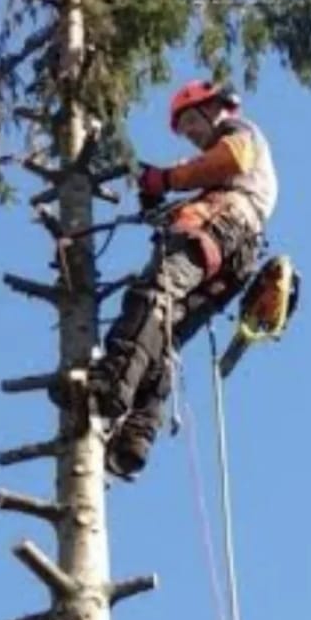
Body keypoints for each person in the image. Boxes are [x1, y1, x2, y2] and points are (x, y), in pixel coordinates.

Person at [92, 80, 278, 479]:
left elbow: (229, 160)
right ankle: (135, 438)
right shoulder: (228, 175)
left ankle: (111, 384)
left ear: (216, 107)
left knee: (152, 294)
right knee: (165, 334)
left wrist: (166, 180)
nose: (192, 133)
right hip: (235, 253)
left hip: (220, 227)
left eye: (192, 120)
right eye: (185, 129)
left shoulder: (237, 131)